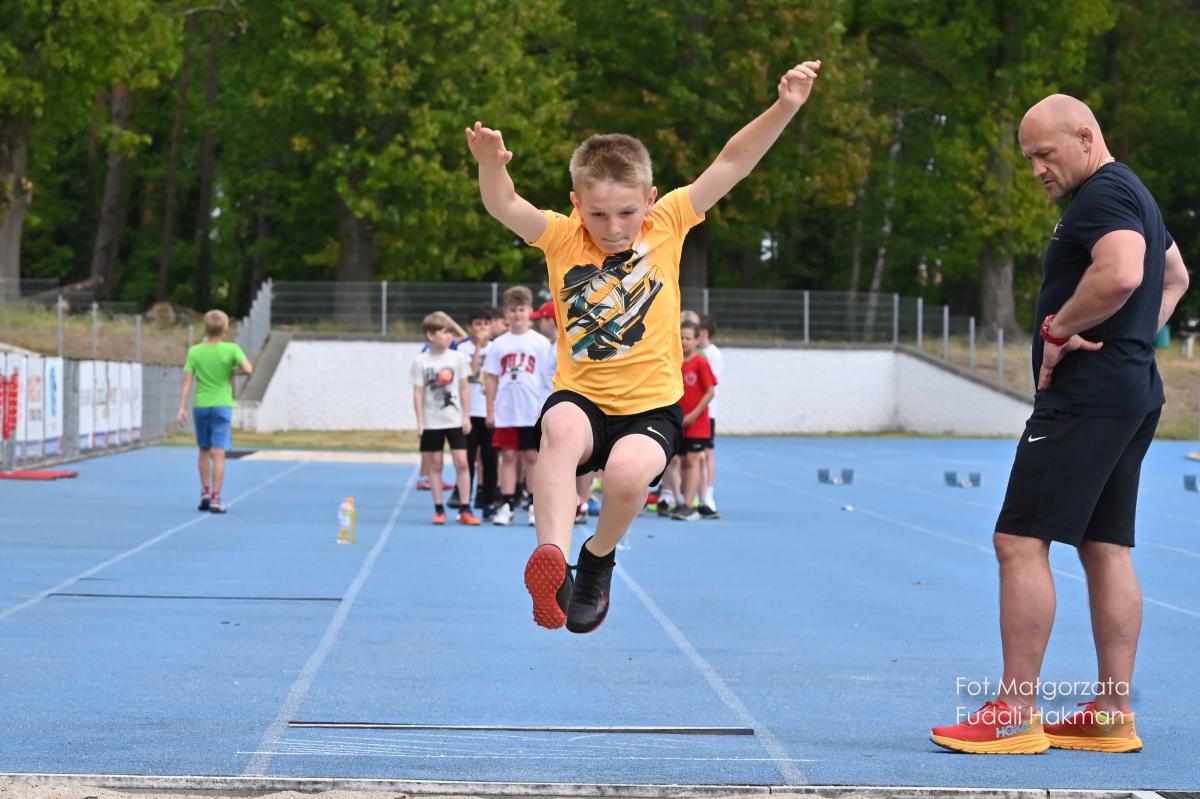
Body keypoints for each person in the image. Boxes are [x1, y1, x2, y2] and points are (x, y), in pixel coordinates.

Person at [465, 59, 822, 633]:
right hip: (581, 397)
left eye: (627, 212)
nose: (613, 227)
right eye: (598, 214)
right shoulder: (561, 236)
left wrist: (784, 107)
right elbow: (504, 205)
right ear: (576, 203)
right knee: (558, 432)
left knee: (628, 477)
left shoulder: (670, 220)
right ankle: (552, 561)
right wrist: (490, 165)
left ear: (650, 198)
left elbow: (733, 161)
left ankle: (596, 559)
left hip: (651, 407)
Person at [931, 94, 1189, 754]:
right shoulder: (1132, 191)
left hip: (1085, 397)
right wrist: (1132, 336)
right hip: (1130, 390)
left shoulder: (1102, 195)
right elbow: (1175, 275)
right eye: (1028, 158)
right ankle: (1111, 713)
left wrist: (1059, 328)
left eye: (1044, 154)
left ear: (1085, 136)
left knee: (1019, 541)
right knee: (1105, 546)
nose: (1037, 169)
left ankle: (1016, 712)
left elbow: (1124, 271)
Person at [483, 286, 554, 527]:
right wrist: (490, 410)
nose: (517, 315)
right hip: (506, 410)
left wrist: (547, 410)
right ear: (506, 313)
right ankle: (507, 504)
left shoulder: (540, 343)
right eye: (512, 310)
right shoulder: (498, 344)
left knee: (532, 457)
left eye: (521, 310)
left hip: (532, 410)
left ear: (529, 311)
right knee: (508, 456)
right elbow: (491, 377)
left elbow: (548, 377)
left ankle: (533, 504)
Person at [176, 309, 253, 514]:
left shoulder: (195, 351)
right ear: (225, 328)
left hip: (201, 405)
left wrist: (182, 406)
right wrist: (232, 371)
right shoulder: (232, 349)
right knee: (219, 451)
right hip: (222, 405)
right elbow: (248, 369)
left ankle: (205, 492)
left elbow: (187, 380)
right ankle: (216, 498)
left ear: (205, 328)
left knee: (204, 449)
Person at [411, 312, 480, 526]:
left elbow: (464, 388)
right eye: (444, 332)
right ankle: (439, 508)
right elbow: (418, 392)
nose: (449, 336)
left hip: (455, 420)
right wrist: (420, 421)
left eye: (450, 332)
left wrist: (466, 416)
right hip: (432, 421)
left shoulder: (457, 358)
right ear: (431, 336)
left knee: (462, 462)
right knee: (435, 464)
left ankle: (465, 508)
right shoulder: (421, 361)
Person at [674, 319, 717, 521]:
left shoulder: (700, 361)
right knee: (682, 461)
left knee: (693, 460)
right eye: (681, 337)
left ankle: (690, 504)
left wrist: (693, 415)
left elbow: (710, 391)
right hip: (680, 421)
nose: (684, 341)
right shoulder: (675, 361)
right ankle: (685, 500)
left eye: (688, 338)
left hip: (697, 423)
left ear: (697, 340)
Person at [697, 314, 724, 517]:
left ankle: (708, 496)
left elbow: (709, 384)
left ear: (704, 333)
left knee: (706, 454)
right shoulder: (695, 353)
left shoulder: (713, 354)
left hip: (707, 412)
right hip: (692, 411)